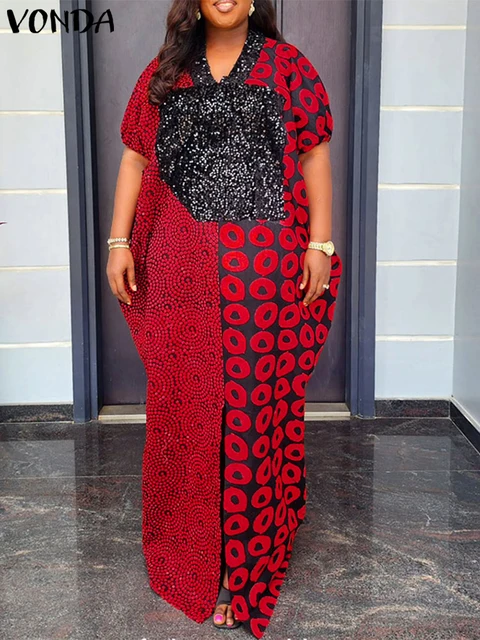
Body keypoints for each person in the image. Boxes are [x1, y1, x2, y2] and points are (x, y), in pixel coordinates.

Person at [106, 0, 343, 637]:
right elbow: (135, 157)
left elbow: (314, 155)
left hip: (260, 280)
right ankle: (192, 551)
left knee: (249, 414)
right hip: (182, 276)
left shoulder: (288, 67)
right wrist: (120, 240)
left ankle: (246, 566)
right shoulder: (165, 72)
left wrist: (321, 244)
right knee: (186, 410)